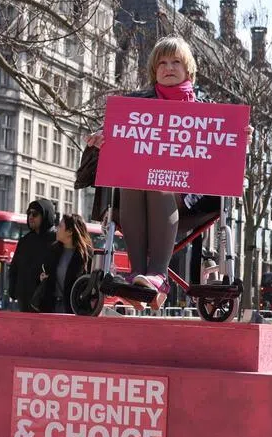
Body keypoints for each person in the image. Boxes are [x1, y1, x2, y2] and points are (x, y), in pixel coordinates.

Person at [85, 36, 223, 308]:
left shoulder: (208, 114)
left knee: (158, 179)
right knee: (133, 180)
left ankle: (159, 275)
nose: (168, 67)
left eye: (175, 62)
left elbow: (223, 154)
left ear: (188, 70)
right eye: (162, 63)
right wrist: (103, 140)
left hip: (189, 198)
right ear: (153, 70)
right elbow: (117, 143)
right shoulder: (133, 106)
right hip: (137, 192)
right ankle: (139, 276)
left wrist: (242, 138)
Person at [34, 213, 94, 314]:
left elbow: (90, 285)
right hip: (51, 308)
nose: (57, 228)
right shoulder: (53, 250)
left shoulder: (86, 255)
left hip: (74, 310)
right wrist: (41, 277)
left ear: (70, 232)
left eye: (60, 226)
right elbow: (42, 272)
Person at [7, 198, 57, 312]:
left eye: (35, 214)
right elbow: (14, 268)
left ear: (45, 216)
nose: (30, 217)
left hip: (46, 303)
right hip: (24, 301)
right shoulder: (25, 240)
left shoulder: (56, 239)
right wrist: (13, 290)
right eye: (29, 213)